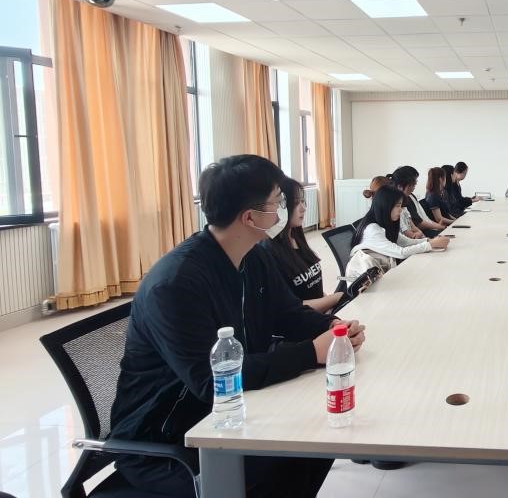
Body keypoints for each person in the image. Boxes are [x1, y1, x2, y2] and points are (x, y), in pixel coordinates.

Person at [109, 154, 366, 498]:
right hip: (167, 440)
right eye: (276, 202)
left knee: (315, 443)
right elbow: (210, 381)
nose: (281, 211)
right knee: (292, 455)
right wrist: (311, 353)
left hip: (234, 412)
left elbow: (287, 314)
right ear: (250, 217)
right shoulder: (175, 284)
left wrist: (333, 326)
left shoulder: (253, 255)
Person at [264, 177, 343, 313]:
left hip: (321, 316)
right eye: (296, 203)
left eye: (303, 201)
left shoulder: (297, 239)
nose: (303, 208)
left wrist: (330, 304)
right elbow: (290, 308)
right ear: (280, 206)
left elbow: (313, 290)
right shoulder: (268, 252)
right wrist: (336, 298)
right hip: (303, 322)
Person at [345, 185, 450, 283]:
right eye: (397, 206)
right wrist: (430, 245)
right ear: (385, 206)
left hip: (382, 274)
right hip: (367, 283)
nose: (401, 210)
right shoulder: (372, 229)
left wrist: (429, 240)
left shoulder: (386, 222)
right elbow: (400, 252)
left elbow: (405, 242)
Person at [393, 166, 445, 238]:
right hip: (422, 233)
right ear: (401, 186)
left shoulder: (410, 196)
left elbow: (421, 220)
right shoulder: (400, 202)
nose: (416, 183)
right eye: (414, 181)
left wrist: (438, 227)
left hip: (421, 234)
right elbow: (418, 224)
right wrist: (439, 227)